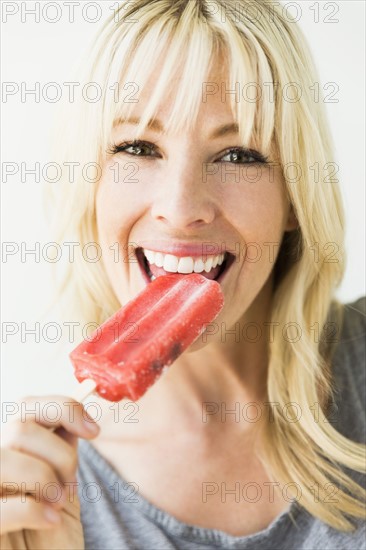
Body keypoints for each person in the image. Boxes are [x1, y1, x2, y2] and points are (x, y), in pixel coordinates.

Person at [1, 0, 365, 548]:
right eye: (138, 147)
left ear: (295, 197)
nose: (181, 206)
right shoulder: (45, 496)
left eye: (239, 154)